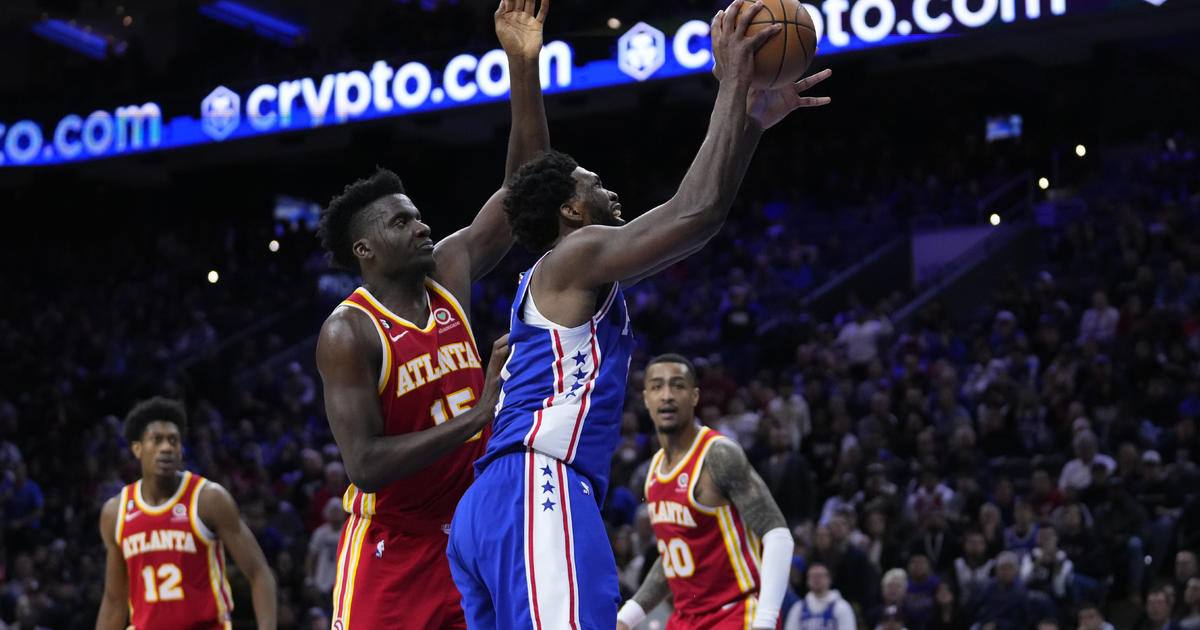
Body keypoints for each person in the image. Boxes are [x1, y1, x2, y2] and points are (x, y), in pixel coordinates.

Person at [447, 0, 832, 627]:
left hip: (493, 502)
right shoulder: (576, 255)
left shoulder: (565, 274)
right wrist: (734, 82)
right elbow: (692, 215)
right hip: (538, 486)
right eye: (594, 184)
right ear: (570, 212)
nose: (611, 191)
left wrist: (751, 125)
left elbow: (698, 222)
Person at [312, 1, 552, 627]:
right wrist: (478, 415)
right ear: (365, 250)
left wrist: (523, 64)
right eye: (401, 222)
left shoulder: (448, 269)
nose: (421, 225)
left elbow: (527, 188)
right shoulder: (349, 331)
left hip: (474, 530)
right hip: (396, 549)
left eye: (417, 214)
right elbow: (364, 466)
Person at [618, 354, 795, 629]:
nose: (667, 395)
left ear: (695, 396)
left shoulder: (718, 455)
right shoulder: (653, 470)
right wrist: (627, 617)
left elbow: (778, 535)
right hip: (685, 619)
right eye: (657, 386)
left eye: (677, 386)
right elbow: (673, 556)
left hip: (735, 612)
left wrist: (765, 620)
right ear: (646, 399)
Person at [95, 397, 277, 630]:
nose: (167, 447)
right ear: (137, 449)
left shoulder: (209, 499)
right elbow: (114, 600)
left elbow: (260, 572)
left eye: (174, 440)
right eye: (156, 440)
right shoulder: (115, 512)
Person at [783, 562, 856, 630]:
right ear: (807, 580)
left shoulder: (841, 606)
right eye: (813, 576)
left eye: (820, 576)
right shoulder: (798, 608)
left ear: (829, 579)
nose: (816, 579)